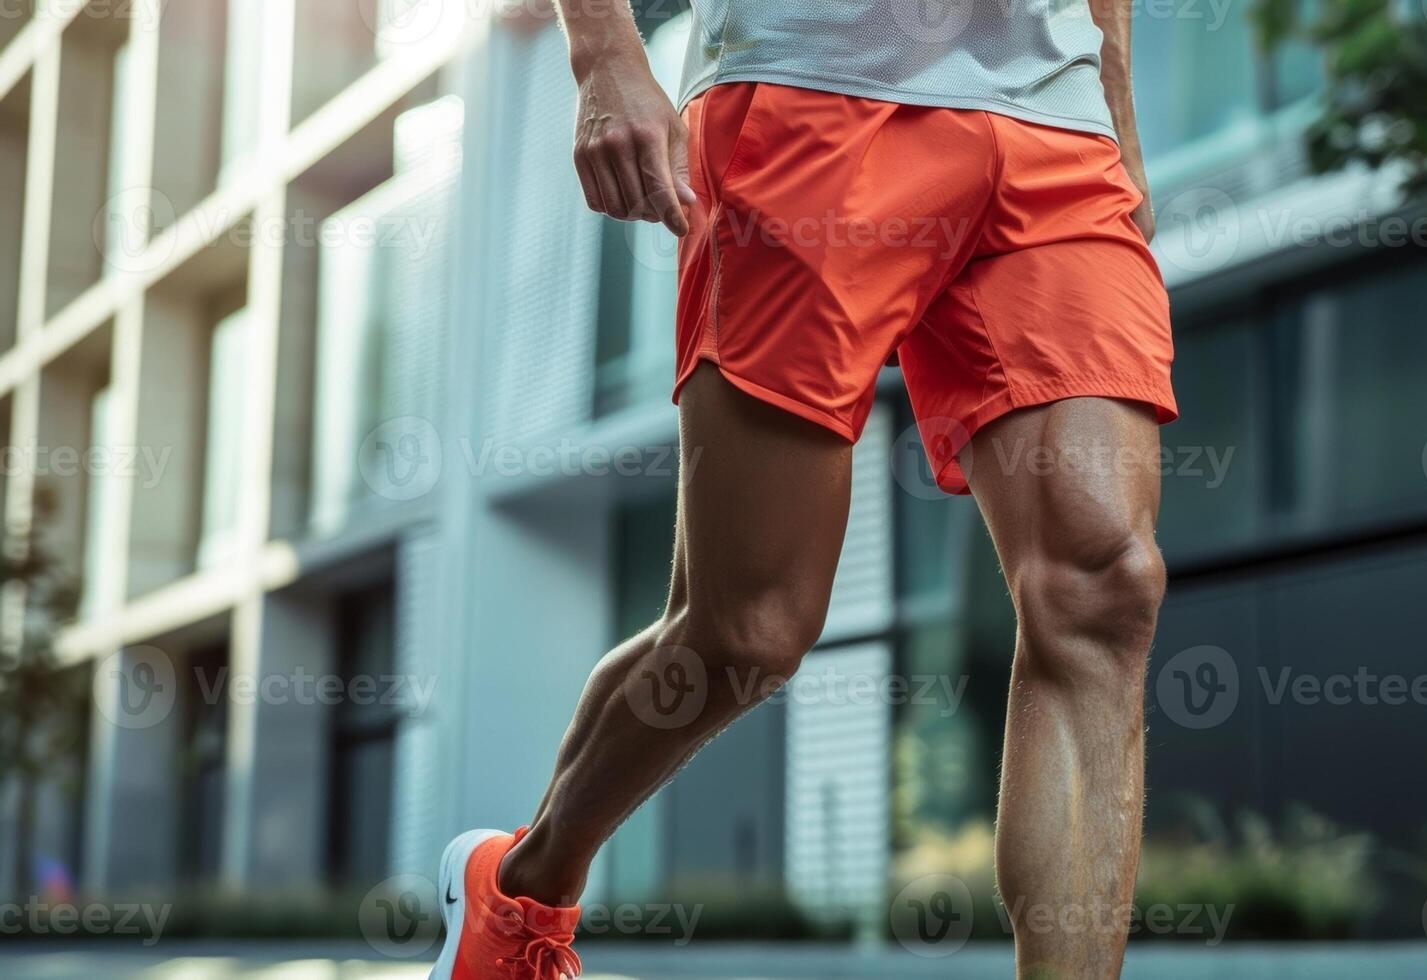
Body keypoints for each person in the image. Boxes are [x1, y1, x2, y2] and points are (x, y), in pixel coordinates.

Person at [431, 2, 1175, 977]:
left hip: (1056, 128)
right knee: (746, 631)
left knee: (1104, 583)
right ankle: (524, 883)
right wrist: (603, 51)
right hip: (808, 94)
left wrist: (1117, 112)